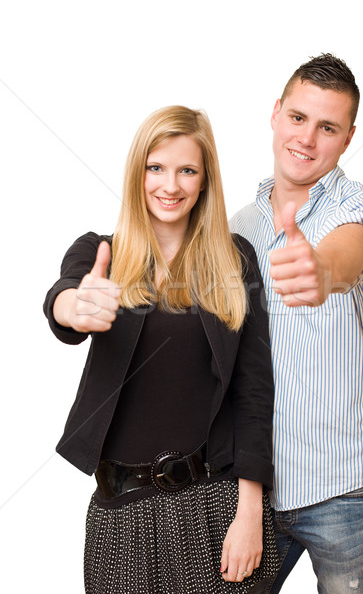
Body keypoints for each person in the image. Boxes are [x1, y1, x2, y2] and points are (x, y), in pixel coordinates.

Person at [43, 105, 279, 594]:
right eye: (156, 168)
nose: (170, 185)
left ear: (204, 181)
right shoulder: (99, 253)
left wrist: (250, 512)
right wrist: (72, 306)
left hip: (214, 509)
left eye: (186, 170)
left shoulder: (236, 260)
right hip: (120, 519)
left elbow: (253, 391)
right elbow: (65, 296)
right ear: (138, 173)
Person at [230, 54, 363, 594]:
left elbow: (350, 249)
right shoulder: (241, 226)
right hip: (255, 493)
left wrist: (322, 270)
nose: (307, 138)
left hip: (349, 491)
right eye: (299, 118)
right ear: (277, 113)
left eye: (327, 127)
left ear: (348, 138)